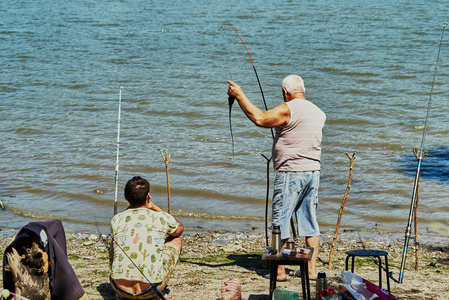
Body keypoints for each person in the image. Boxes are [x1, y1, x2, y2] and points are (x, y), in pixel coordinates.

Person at [227, 75, 326, 280]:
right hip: (313, 172)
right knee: (309, 221)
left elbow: (260, 119)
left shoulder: (287, 109)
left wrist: (239, 95)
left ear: (284, 91)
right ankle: (311, 270)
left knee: (280, 220)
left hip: (291, 172)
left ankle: (279, 271)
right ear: (303, 90)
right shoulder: (318, 112)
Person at [110, 176, 183, 299]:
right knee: (176, 240)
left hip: (120, 289)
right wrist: (155, 208)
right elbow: (179, 230)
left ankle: (124, 293)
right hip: (150, 290)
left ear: (126, 198)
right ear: (148, 196)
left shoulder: (116, 219)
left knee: (116, 241)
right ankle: (155, 293)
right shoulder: (161, 217)